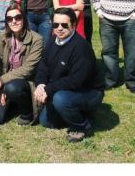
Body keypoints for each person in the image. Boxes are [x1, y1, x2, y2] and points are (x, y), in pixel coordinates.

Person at [34, 8, 104, 143]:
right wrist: (40, 85)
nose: (59, 28)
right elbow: (43, 66)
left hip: (89, 91)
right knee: (46, 122)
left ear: (73, 25)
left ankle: (82, 126)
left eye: (64, 25)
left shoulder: (81, 47)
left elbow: (76, 81)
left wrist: (48, 89)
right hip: (64, 89)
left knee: (60, 99)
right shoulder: (51, 41)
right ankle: (76, 113)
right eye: (56, 24)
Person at [0, 3, 43, 126]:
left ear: (24, 18)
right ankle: (13, 104)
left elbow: (28, 69)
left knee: (12, 88)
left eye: (18, 17)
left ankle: (27, 113)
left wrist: (2, 80)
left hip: (26, 83)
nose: (14, 21)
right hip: (7, 83)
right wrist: (0, 89)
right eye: (9, 19)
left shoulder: (37, 39)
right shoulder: (3, 36)